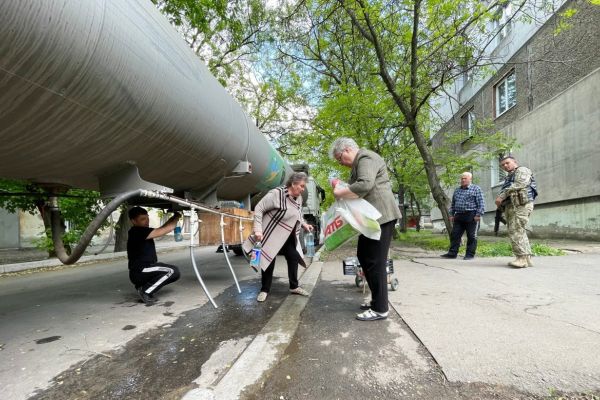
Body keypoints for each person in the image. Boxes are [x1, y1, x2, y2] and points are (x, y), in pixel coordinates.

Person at [330, 138, 401, 321]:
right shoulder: (358, 163)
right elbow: (356, 189)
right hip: (371, 218)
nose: (341, 163)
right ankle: (376, 300)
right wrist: (341, 186)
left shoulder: (365, 157)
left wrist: (339, 192)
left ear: (346, 150)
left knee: (375, 261)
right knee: (364, 255)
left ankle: (380, 308)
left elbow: (364, 185)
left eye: (340, 158)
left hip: (381, 216)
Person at [242, 172, 314, 302]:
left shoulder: (299, 198)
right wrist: (258, 230)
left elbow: (298, 214)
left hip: (288, 235)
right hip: (271, 233)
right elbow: (259, 208)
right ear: (293, 184)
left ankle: (294, 286)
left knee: (293, 258)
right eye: (302, 186)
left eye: (304, 187)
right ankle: (264, 290)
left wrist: (304, 224)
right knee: (268, 260)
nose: (303, 189)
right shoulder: (277, 194)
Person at [127, 207, 181, 304]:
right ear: (133, 221)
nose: (147, 221)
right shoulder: (137, 231)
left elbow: (161, 229)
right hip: (141, 270)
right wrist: (176, 217)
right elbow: (165, 230)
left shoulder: (142, 231)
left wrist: (173, 218)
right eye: (142, 219)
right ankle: (145, 291)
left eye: (147, 218)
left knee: (166, 269)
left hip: (142, 271)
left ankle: (143, 286)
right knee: (173, 271)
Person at [495, 156, 538, 268]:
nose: (505, 166)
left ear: (514, 162)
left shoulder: (522, 170)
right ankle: (526, 259)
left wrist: (501, 196)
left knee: (515, 230)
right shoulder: (509, 176)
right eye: (502, 165)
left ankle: (521, 258)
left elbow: (520, 183)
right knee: (518, 231)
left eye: (507, 163)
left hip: (521, 205)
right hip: (512, 206)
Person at [440, 172, 485, 260]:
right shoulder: (457, 190)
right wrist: (451, 214)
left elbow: (481, 203)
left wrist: (478, 214)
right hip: (459, 215)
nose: (463, 180)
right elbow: (453, 204)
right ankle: (452, 253)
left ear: (470, 179)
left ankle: (469, 254)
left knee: (472, 236)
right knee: (455, 234)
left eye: (465, 178)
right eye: (462, 178)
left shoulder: (476, 189)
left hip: (472, 215)